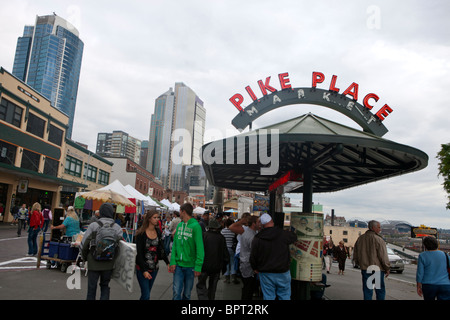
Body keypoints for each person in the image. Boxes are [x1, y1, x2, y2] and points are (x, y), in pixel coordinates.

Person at [250, 213, 297, 300]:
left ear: (262, 224)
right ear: (272, 221)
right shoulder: (283, 234)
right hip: (282, 271)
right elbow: (294, 237)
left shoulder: (257, 238)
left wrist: (255, 268)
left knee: (268, 296)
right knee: (284, 296)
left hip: (265, 272)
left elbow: (253, 255)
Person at [81, 203, 123, 300]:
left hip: (93, 261)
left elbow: (84, 244)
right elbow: (120, 247)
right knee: (105, 286)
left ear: (101, 212)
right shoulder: (117, 227)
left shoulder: (93, 225)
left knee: (91, 288)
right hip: (109, 263)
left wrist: (85, 258)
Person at [168, 202, 205, 300]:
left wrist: (198, 266)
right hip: (178, 266)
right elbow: (175, 245)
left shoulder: (196, 227)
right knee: (176, 292)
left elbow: (200, 247)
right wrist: (172, 262)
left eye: (180, 211)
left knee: (187, 294)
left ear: (183, 212)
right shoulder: (179, 226)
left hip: (190, 266)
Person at [135, 210, 169, 300]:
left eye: (158, 217)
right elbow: (138, 254)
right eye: (155, 217)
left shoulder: (158, 232)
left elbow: (161, 249)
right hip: (142, 268)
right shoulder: (141, 233)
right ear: (149, 219)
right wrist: (144, 270)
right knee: (146, 295)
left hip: (154, 268)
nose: (157, 219)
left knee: (146, 294)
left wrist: (167, 262)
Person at [353, 220, 390, 300]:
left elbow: (355, 253)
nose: (380, 229)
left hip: (365, 268)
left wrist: (359, 263)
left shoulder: (360, 239)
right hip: (376, 269)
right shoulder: (379, 240)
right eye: (379, 227)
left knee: (367, 290)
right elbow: (383, 256)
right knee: (379, 290)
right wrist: (387, 268)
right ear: (373, 228)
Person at [196, 218, 229, 300]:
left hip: (203, 266)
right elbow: (225, 254)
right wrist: (224, 266)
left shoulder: (203, 236)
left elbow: (198, 250)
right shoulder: (221, 238)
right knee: (213, 287)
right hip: (216, 267)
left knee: (201, 285)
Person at [416, 236, 450, 300]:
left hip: (428, 285)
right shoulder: (445, 255)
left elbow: (420, 273)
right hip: (445, 285)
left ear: (425, 245)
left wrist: (418, 286)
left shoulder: (422, 256)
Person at [235, 215, 259, 300]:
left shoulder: (246, 232)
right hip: (248, 265)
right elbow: (254, 253)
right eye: (258, 222)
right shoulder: (252, 236)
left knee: (247, 287)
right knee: (248, 289)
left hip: (244, 262)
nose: (260, 224)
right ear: (253, 224)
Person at [221, 218, 239, 284]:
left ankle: (227, 278)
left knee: (226, 263)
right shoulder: (233, 231)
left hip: (225, 249)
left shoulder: (222, 231)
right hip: (232, 248)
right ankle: (234, 276)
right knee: (233, 262)